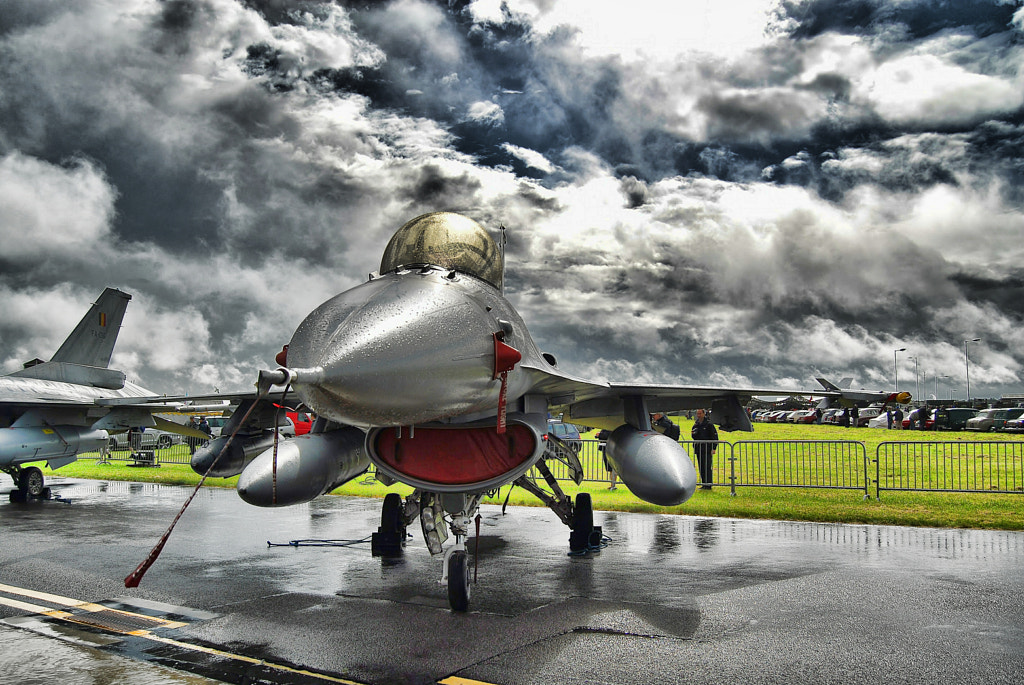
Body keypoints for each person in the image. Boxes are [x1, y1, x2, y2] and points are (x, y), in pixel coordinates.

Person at [691, 408, 718, 490]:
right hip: (699, 449)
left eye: (700, 414)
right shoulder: (696, 424)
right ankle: (704, 483)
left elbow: (715, 437)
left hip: (707, 448)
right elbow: (694, 436)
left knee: (707, 467)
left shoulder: (709, 424)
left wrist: (713, 448)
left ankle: (708, 484)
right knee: (701, 467)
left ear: (704, 414)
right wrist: (693, 434)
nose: (698, 415)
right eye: (697, 414)